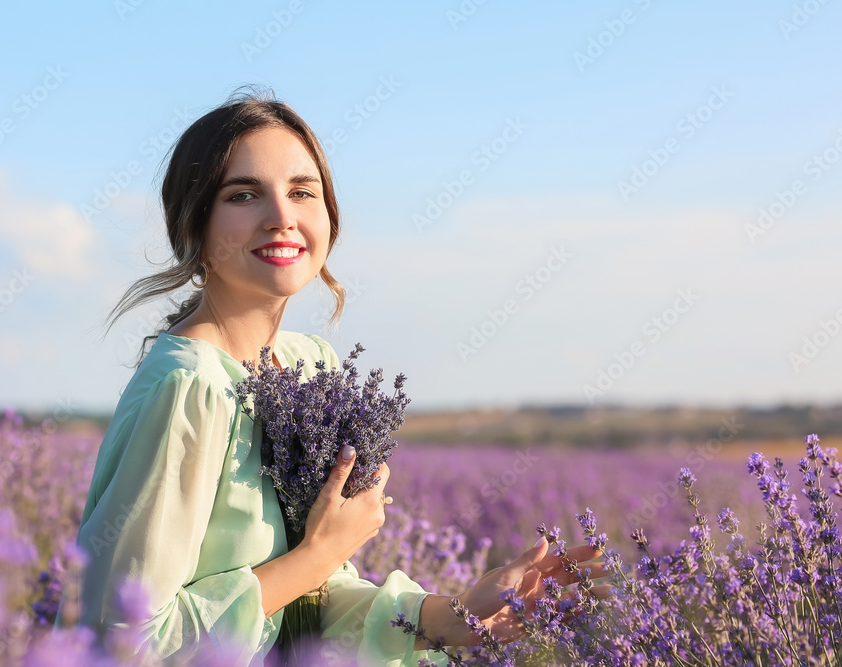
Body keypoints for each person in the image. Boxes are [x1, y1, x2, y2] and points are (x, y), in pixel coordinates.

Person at [54, 87, 608, 666]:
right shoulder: (189, 385)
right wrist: (317, 555)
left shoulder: (308, 366)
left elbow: (308, 605)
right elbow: (125, 643)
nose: (281, 218)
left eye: (302, 192)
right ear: (192, 224)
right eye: (243, 195)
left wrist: (455, 614)